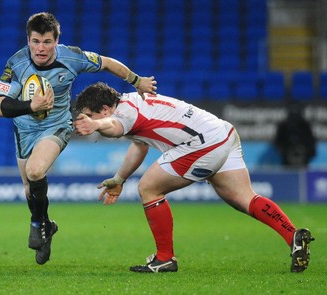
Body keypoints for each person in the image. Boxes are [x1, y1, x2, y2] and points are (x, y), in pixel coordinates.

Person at [73, 82, 315, 273]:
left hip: (203, 144)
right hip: (223, 134)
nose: (88, 122)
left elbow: (113, 124)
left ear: (104, 109)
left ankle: (165, 258)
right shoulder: (132, 103)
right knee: (244, 198)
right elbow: (140, 146)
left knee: (148, 188)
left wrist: (98, 125)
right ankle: (293, 235)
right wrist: (119, 178)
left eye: (89, 116)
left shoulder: (121, 115)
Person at [0, 12, 157, 265]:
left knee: (36, 172)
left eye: (47, 41)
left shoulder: (72, 57)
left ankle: (37, 224)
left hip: (57, 125)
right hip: (24, 130)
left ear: (57, 40)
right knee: (29, 188)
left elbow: (107, 63)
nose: (41, 48)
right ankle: (47, 225)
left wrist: (136, 80)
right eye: (36, 41)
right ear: (28, 40)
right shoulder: (15, 64)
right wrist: (31, 105)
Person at [274, 102, 316, 168]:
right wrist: (287, 149)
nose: (295, 114)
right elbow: (278, 142)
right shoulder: (284, 126)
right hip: (287, 162)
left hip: (304, 161)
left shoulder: (305, 126)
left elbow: (311, 143)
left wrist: (302, 148)